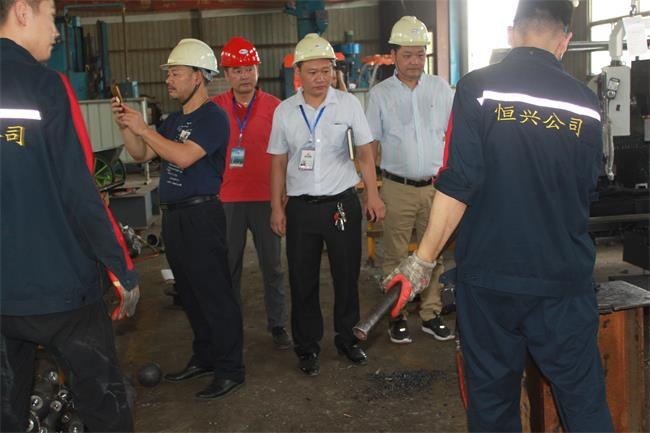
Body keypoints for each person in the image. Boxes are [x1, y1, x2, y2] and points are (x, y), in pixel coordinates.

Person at [384, 1, 614, 431]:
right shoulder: (586, 103)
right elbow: (588, 188)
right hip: (562, 279)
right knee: (583, 403)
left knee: (492, 404)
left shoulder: (478, 88)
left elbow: (458, 183)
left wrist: (421, 261)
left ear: (511, 33)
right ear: (564, 41)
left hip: (491, 280)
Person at [0, 0, 140, 431]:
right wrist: (121, 268)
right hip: (62, 290)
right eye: (51, 15)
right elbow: (80, 190)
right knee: (103, 407)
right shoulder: (47, 86)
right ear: (22, 11)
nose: (57, 30)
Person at [112, 38, 245, 399]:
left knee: (214, 294)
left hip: (201, 215)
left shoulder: (213, 117)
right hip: (175, 218)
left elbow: (184, 158)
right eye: (169, 73)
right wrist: (127, 125)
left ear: (198, 77)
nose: (169, 79)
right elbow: (141, 154)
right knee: (190, 293)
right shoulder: (173, 120)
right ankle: (205, 357)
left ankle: (231, 369)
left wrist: (144, 128)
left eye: (176, 73)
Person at [268, 33, 385, 376]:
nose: (320, 78)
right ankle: (307, 347)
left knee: (346, 276)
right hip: (301, 208)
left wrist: (373, 194)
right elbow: (277, 162)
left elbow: (365, 152)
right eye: (312, 72)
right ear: (298, 74)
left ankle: (348, 340)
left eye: (326, 71)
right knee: (302, 279)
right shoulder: (285, 111)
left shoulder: (347, 105)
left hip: (341, 205)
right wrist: (276, 207)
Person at [365, 16, 454, 344]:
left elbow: (453, 136)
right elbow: (370, 146)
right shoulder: (380, 94)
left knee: (434, 252)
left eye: (420, 54)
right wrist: (373, 192)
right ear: (393, 56)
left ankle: (430, 313)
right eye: (407, 55)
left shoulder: (440, 88)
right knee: (395, 254)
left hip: (435, 188)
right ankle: (397, 315)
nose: (414, 61)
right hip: (397, 187)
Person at [212, 37, 291, 350]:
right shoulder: (214, 108)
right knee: (228, 267)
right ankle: (230, 325)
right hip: (226, 201)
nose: (244, 75)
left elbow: (286, 154)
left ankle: (278, 324)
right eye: (236, 70)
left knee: (273, 266)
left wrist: (282, 197)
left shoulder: (277, 108)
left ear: (258, 70)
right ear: (226, 74)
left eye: (249, 68)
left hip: (265, 200)